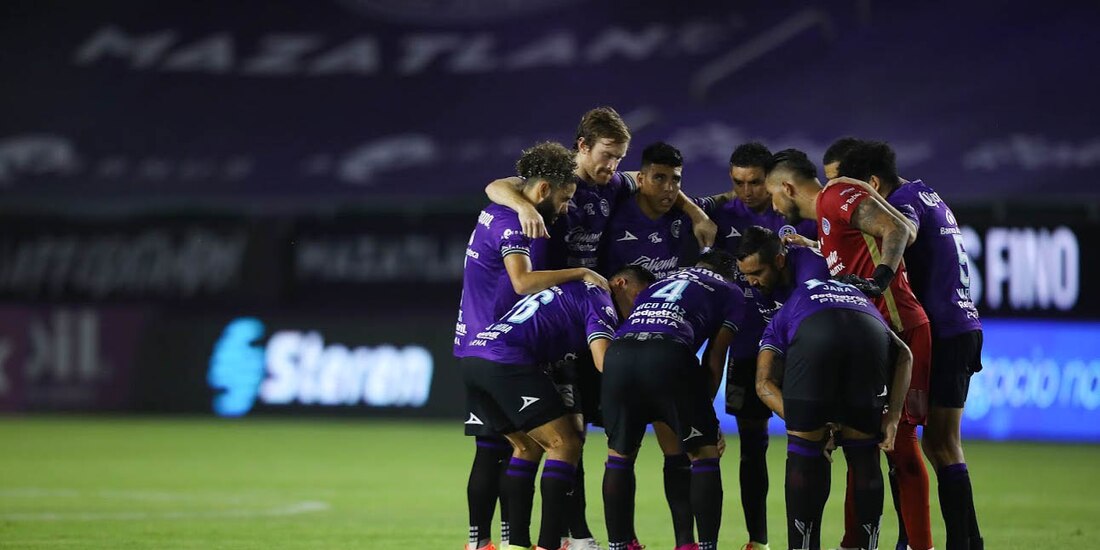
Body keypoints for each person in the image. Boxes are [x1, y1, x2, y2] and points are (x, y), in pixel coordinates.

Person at [485, 108, 726, 549]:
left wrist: (696, 212)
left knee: (590, 433)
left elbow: (655, 178)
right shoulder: (555, 180)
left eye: (618, 158)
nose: (612, 166)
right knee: (567, 431)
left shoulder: (612, 183)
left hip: (597, 311)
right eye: (606, 155)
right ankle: (568, 535)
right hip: (557, 316)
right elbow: (496, 186)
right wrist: (521, 205)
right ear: (581, 146)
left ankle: (585, 535)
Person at [763, 148, 934, 550]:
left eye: (772, 193)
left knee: (899, 444)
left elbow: (898, 230)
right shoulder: (826, 219)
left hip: (898, 327)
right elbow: (858, 250)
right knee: (863, 444)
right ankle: (855, 543)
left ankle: (919, 545)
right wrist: (812, 244)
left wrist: (880, 280)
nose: (772, 204)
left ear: (787, 187)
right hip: (871, 335)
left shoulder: (835, 193)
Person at [456, 141, 608, 550]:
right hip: (502, 347)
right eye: (563, 198)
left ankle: (495, 542)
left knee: (519, 446)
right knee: (548, 443)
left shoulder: (501, 208)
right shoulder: (514, 222)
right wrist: (581, 272)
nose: (565, 208)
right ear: (543, 191)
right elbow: (522, 282)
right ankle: (528, 541)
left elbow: (501, 185)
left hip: (481, 345)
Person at [837, 141, 985, 550]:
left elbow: (905, 230)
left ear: (872, 183)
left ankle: (945, 542)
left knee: (912, 439)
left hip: (940, 331)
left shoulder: (901, 202)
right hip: (963, 324)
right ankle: (966, 541)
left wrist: (880, 274)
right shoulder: (926, 192)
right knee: (940, 443)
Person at [463, 266, 655, 550]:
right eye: (638, 298)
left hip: (474, 357)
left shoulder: (571, 290)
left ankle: (514, 545)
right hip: (507, 360)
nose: (638, 308)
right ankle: (549, 545)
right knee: (565, 445)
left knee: (527, 447)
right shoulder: (601, 299)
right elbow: (605, 362)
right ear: (620, 283)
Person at [597, 140, 724, 548]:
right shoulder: (615, 212)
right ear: (641, 177)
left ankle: (684, 541)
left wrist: (695, 209)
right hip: (614, 341)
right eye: (660, 178)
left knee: (676, 447)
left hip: (665, 348)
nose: (669, 188)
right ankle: (591, 537)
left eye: (676, 180)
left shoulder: (682, 223)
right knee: (601, 446)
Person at [601, 250, 753, 550]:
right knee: (704, 454)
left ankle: (622, 545)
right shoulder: (732, 291)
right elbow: (714, 359)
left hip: (618, 355)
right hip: (668, 354)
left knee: (620, 455)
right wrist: (704, 415)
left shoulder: (660, 283)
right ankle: (698, 545)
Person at [755, 278, 914, 550]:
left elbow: (763, 383)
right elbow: (906, 355)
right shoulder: (863, 302)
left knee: (805, 456)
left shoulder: (788, 307)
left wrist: (807, 424)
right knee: (865, 460)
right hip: (870, 336)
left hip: (814, 337)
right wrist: (893, 416)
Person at [711, 143, 817, 270]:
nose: (747, 192)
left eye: (755, 183)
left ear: (770, 177)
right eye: (738, 182)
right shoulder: (720, 216)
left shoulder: (801, 213)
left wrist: (813, 245)